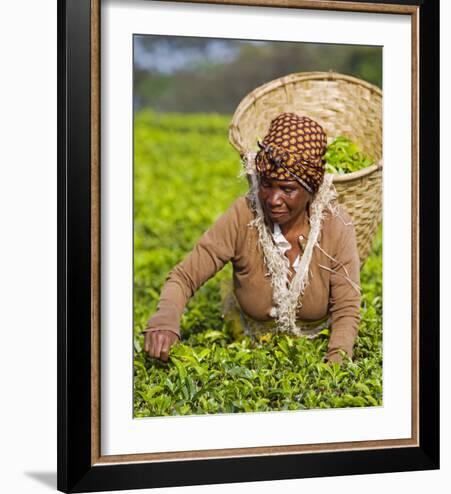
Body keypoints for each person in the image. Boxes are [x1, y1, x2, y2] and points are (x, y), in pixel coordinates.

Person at [143, 112, 361, 365]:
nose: (273, 199)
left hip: (318, 343)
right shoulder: (243, 215)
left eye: (288, 189)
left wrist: (337, 364)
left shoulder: (335, 225)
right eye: (267, 184)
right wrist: (165, 321)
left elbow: (346, 308)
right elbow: (184, 277)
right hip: (248, 344)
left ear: (311, 190)